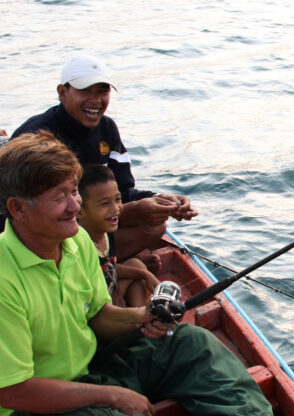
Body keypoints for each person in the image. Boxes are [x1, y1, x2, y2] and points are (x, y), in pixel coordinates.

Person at [0, 131, 294, 416]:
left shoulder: (75, 240)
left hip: (89, 367)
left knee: (188, 339)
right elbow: (14, 391)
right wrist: (112, 395)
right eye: (60, 197)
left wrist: (142, 316)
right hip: (24, 411)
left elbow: (97, 316)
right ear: (18, 208)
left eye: (73, 191)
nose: (74, 206)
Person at [10, 54, 198, 261]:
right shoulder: (37, 138)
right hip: (44, 228)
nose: (95, 100)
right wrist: (134, 210)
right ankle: (102, 265)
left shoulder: (107, 128)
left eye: (103, 91)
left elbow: (123, 190)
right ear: (62, 92)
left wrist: (159, 199)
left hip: (85, 221)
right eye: (84, 91)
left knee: (154, 226)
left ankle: (107, 264)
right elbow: (32, 213)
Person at [78, 164, 159, 307]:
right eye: (104, 204)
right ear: (79, 210)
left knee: (136, 265)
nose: (115, 209)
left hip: (109, 292)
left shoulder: (106, 233)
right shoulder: (79, 246)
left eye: (117, 199)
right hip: (96, 306)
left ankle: (138, 318)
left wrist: (144, 274)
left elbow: (109, 267)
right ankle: (136, 319)